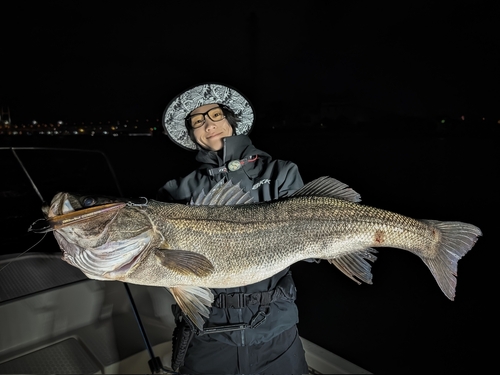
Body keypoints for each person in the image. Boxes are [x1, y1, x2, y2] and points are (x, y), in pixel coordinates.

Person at [157, 83, 309, 374]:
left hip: (276, 332)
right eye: (197, 121)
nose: (209, 125)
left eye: (215, 114)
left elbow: (311, 246)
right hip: (207, 337)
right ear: (191, 133)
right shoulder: (176, 191)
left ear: (230, 119)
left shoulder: (279, 173)